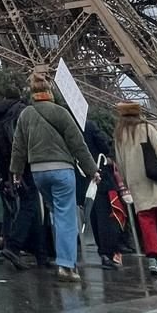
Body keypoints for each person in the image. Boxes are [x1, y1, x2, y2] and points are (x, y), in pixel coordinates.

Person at [8, 71, 96, 283]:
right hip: (61, 170)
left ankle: (62, 256)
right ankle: (66, 266)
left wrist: (17, 173)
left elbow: (18, 147)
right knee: (66, 216)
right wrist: (93, 170)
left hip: (38, 172)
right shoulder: (61, 113)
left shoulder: (26, 114)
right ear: (50, 92)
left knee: (58, 214)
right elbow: (78, 145)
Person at [111, 102, 157, 279]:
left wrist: (126, 182)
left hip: (137, 182)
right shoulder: (146, 128)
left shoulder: (119, 134)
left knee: (146, 219)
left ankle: (152, 257)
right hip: (155, 180)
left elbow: (119, 163)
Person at [0, 89, 49, 272]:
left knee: (31, 205)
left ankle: (41, 254)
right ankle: (14, 246)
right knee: (31, 204)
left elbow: (0, 147)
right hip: (26, 164)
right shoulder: (22, 111)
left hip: (11, 167)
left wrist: (7, 174)